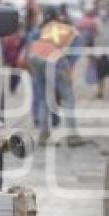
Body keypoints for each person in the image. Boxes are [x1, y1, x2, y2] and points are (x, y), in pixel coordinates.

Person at [26, 8, 84, 147]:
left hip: (35, 59)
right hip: (56, 61)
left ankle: (43, 134)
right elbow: (74, 54)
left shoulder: (39, 30)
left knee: (44, 98)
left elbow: (29, 46)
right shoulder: (71, 31)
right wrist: (67, 71)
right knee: (67, 98)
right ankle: (72, 136)